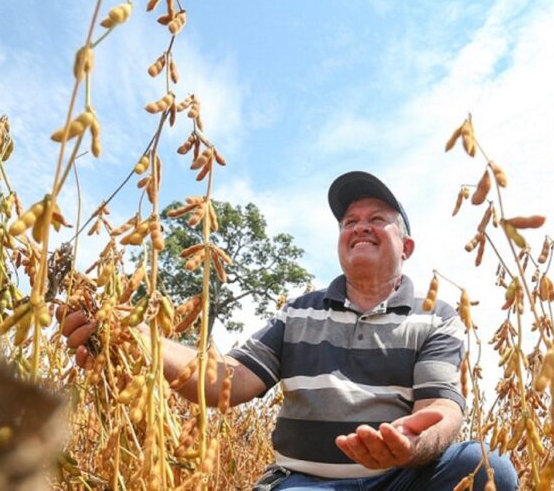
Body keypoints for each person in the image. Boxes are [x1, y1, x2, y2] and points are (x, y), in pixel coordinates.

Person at [63, 171, 518, 490]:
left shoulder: (435, 316)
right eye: (349, 221)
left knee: (487, 469)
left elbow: (441, 405)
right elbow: (228, 379)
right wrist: (139, 337)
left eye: (377, 218)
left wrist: (413, 443)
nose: (360, 225)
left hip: (398, 481)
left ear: (407, 245)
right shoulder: (298, 312)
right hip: (307, 484)